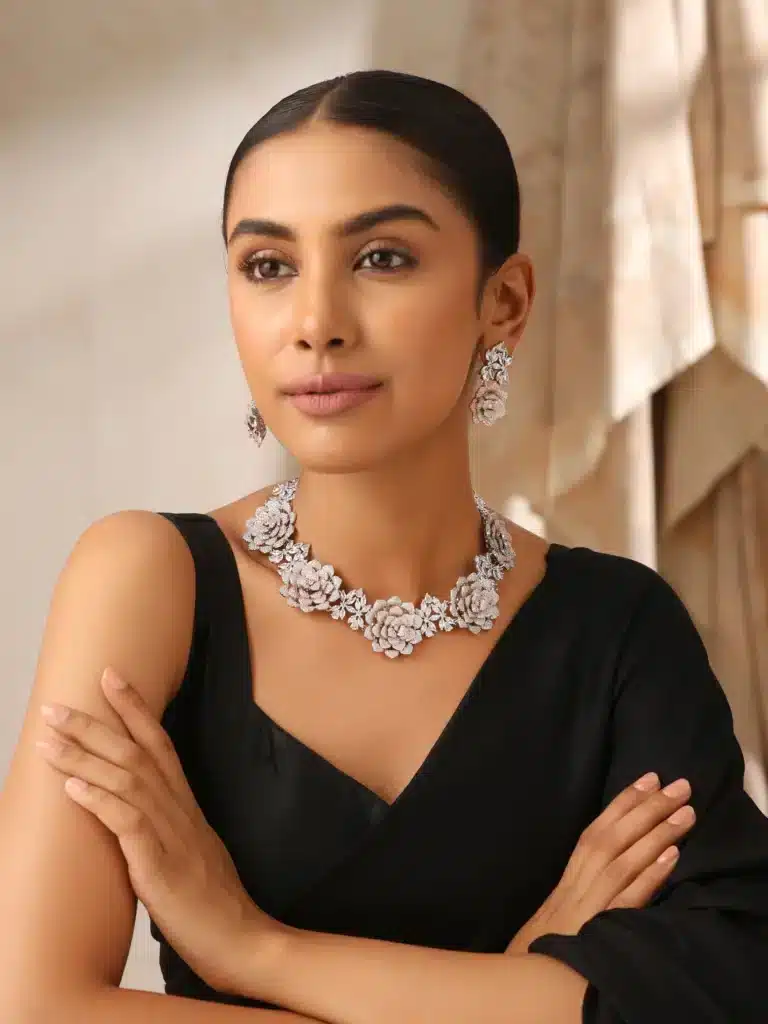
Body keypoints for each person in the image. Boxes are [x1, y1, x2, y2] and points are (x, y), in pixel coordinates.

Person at [1, 69, 767, 1024]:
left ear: (506, 302)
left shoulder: (620, 629)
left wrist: (255, 948)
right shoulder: (149, 579)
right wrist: (519, 991)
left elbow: (725, 995)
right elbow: (36, 1007)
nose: (316, 324)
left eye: (382, 258)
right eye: (269, 266)